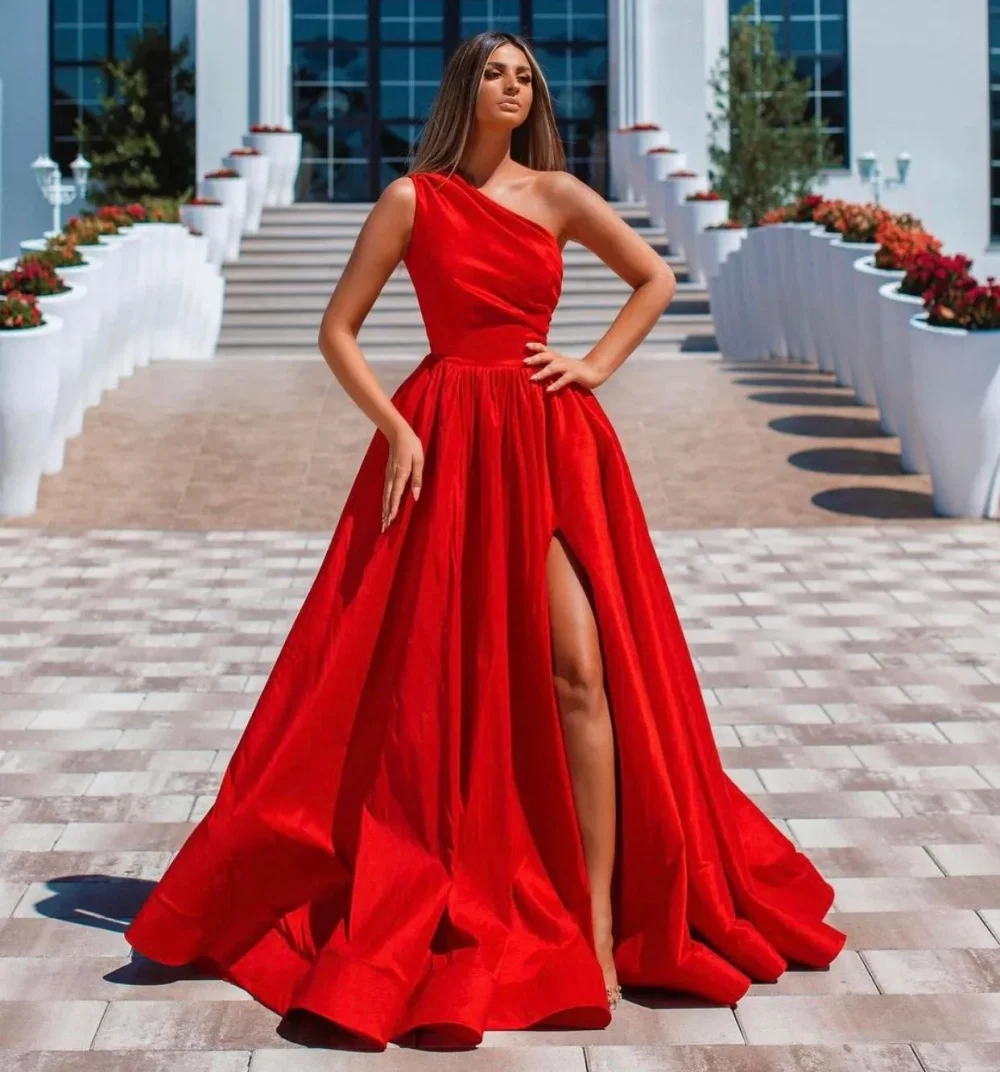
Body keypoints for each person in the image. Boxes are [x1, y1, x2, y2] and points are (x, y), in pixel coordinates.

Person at [124, 30, 846, 1050]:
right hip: (447, 442)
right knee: (430, 687)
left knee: (579, 670)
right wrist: (398, 426)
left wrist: (592, 366)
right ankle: (454, 874)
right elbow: (339, 328)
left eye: (526, 76)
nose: (513, 86)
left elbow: (652, 279)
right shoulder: (412, 200)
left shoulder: (558, 194)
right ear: (465, 89)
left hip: (550, 439)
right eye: (495, 73)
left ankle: (596, 922)